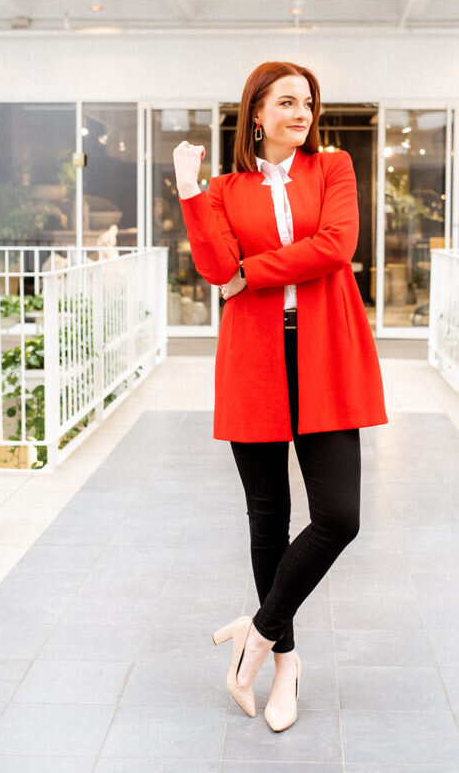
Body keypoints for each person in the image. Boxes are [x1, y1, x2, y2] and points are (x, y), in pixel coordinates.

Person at [173, 60, 388, 732]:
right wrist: (188, 190)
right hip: (254, 362)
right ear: (256, 114)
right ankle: (287, 663)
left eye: (308, 103)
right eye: (287, 102)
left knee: (338, 517)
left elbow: (335, 246)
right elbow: (213, 271)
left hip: (325, 354)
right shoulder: (227, 189)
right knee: (266, 519)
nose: (302, 113)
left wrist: (250, 273)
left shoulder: (333, 170)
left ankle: (258, 635)